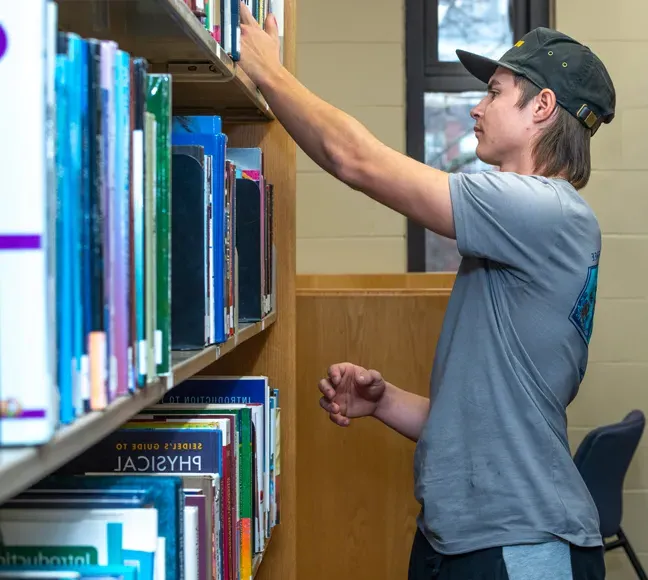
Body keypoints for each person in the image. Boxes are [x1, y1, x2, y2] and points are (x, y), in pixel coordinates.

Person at [236, 5, 616, 579]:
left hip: (518, 543)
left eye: (493, 91)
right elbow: (486, 418)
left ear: (542, 106)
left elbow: (356, 160)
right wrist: (385, 400)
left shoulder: (544, 211)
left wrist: (270, 72)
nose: (476, 106)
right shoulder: (530, 227)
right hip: (466, 538)